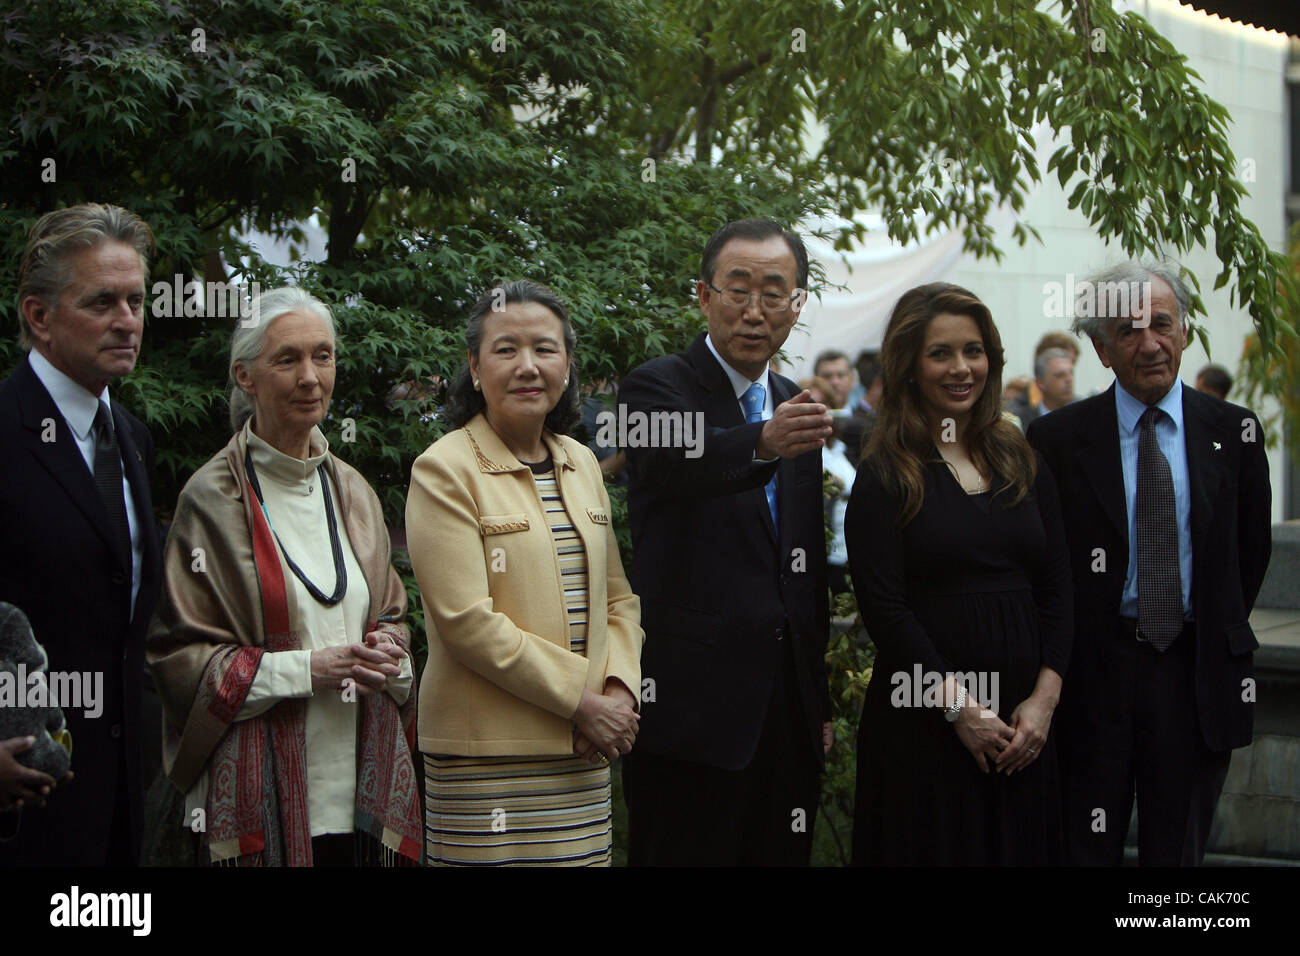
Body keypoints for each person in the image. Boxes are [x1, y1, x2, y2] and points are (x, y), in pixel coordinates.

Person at [147, 287, 421, 866]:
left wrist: (390, 655)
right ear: (245, 376)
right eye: (287, 359)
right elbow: (178, 659)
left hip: (360, 794)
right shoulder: (211, 498)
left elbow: (393, 618)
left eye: (323, 356)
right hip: (258, 793)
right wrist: (308, 670)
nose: (310, 377)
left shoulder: (353, 490)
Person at [1028, 262, 1271, 866]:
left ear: (1185, 330)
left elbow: (1249, 552)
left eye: (1161, 324)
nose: (1150, 343)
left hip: (1194, 673)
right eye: (1127, 332)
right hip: (1093, 672)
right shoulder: (1056, 440)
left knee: (1176, 857)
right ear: (1101, 349)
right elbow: (1044, 565)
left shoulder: (1233, 431)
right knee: (1084, 847)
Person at [618, 218, 833, 866]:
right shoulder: (658, 385)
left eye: (774, 292)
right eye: (737, 289)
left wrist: (815, 700)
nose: (754, 310)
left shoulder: (793, 401)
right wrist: (762, 441)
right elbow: (676, 460)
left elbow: (804, 565)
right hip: (689, 712)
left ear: (797, 305)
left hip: (784, 713)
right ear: (703, 295)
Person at [406, 280, 642, 866]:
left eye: (545, 348)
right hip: (485, 760)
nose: (527, 366)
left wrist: (615, 694)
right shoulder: (445, 468)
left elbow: (619, 601)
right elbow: (466, 622)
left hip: (583, 750)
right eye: (506, 349)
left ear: (567, 364)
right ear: (474, 366)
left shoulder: (581, 461)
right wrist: (581, 702)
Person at [845, 282, 1072, 865]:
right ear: (909, 365)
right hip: (925, 729)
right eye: (940, 353)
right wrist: (960, 710)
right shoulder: (884, 475)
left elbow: (1059, 587)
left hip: (1025, 732)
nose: (961, 368)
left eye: (973, 351)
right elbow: (885, 611)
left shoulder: (1023, 461)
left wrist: (1044, 703)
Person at [0, 203, 163, 865]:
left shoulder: (129, 438)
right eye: (102, 302)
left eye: (135, 300)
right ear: (39, 317)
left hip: (121, 797)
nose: (127, 321)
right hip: (21, 801)